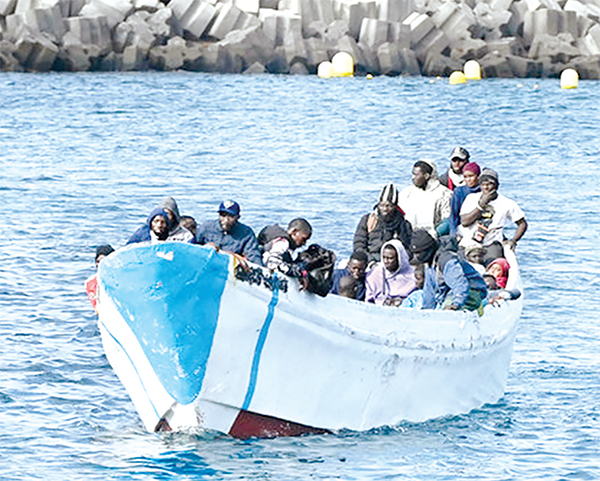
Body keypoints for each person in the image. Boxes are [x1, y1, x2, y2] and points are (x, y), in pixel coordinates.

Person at [458, 168, 528, 264]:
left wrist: (513, 240)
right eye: (483, 184)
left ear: (496, 186)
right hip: (469, 242)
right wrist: (481, 205)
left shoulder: (507, 203)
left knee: (493, 263)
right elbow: (465, 222)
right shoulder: (471, 199)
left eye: (489, 184)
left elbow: (522, 224)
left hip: (492, 244)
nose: (486, 188)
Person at [411, 230, 487, 312]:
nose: (417, 257)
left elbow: (460, 284)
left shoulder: (447, 260)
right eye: (415, 253)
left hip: (470, 293)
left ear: (428, 249)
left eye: (419, 253)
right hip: (449, 296)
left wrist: (456, 304)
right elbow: (429, 292)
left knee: (447, 315)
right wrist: (426, 311)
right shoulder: (429, 265)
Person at [353, 183, 412, 265]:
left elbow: (407, 249)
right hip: (369, 261)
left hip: (392, 263)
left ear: (395, 206)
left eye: (389, 206)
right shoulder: (368, 220)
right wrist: (370, 261)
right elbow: (358, 244)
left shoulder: (403, 224)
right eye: (382, 205)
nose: (385, 209)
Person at [196, 200, 262, 265]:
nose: (226, 220)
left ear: (238, 217)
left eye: (231, 216)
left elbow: (253, 256)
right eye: (223, 215)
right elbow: (192, 246)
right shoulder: (206, 227)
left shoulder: (246, 233)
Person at [397, 160, 452, 238]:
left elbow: (447, 220)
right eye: (413, 174)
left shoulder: (444, 194)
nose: (413, 177)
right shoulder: (406, 192)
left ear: (426, 176)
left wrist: (434, 234)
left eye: (416, 175)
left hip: (433, 238)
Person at [365, 239, 417, 306]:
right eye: (384, 257)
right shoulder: (375, 273)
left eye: (390, 258)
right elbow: (369, 299)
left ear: (399, 258)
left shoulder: (412, 274)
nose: (386, 261)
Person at [127, 207, 194, 244]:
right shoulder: (142, 233)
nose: (159, 225)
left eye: (163, 222)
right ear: (151, 222)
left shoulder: (177, 235)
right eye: (156, 221)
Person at [449, 162, 481, 236]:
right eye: (465, 177)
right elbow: (454, 215)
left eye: (471, 176)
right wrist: (453, 233)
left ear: (478, 176)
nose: (468, 180)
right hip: (463, 227)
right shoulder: (459, 192)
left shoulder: (483, 191)